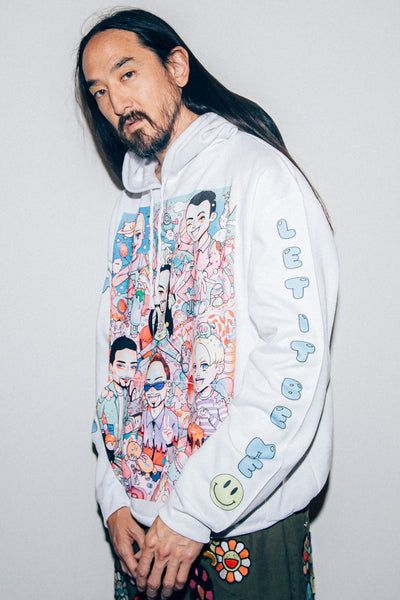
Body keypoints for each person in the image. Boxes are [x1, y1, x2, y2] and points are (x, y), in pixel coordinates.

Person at [76, 8, 338, 600]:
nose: (117, 103)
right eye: (99, 91)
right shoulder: (131, 204)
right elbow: (114, 358)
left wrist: (196, 509)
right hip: (142, 529)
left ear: (176, 67)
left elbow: (294, 359)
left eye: (126, 73)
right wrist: (113, 495)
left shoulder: (260, 173)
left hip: (242, 525)